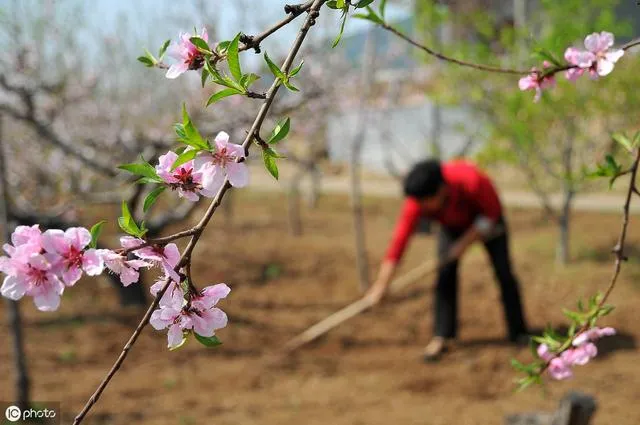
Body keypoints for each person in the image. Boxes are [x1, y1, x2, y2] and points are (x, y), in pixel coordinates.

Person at [365, 158, 529, 361]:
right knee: (444, 277)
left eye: (425, 202)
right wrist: (381, 286)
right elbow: (399, 242)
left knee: (504, 273)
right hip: (451, 226)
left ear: (441, 190)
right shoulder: (418, 200)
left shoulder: (472, 180)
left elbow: (491, 215)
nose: (422, 208)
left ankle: (519, 332)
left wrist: (463, 245)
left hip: (489, 223)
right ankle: (442, 336)